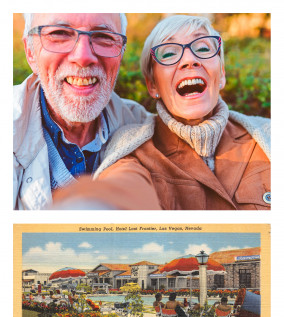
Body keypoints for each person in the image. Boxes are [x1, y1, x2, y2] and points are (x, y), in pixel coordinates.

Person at [71, 14, 270, 210]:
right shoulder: (133, 150)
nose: (190, 60)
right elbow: (122, 187)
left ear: (222, 75)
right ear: (153, 85)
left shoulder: (268, 135)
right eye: (168, 54)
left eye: (202, 48)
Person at [13, 13, 154, 210]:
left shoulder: (143, 127)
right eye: (59, 33)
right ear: (30, 51)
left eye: (103, 36)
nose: (83, 57)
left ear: (121, 53)